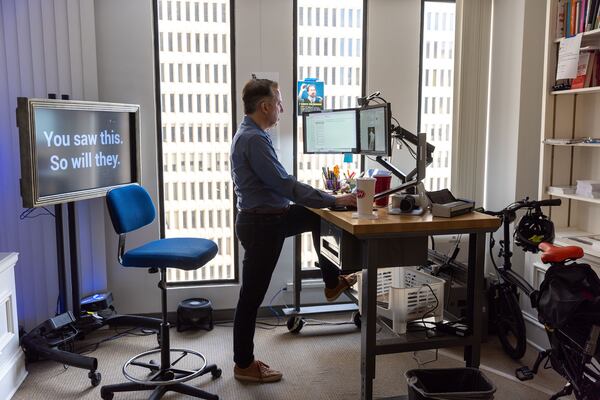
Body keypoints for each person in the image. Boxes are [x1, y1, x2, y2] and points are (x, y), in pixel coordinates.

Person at [230, 78, 357, 383]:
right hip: (262, 225)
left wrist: (325, 201)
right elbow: (285, 185)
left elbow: (282, 185)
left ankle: (330, 283)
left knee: (315, 216)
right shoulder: (254, 140)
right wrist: (335, 198)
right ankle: (244, 364)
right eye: (279, 102)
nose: (283, 108)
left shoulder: (253, 134)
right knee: (251, 296)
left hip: (271, 217)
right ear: (265, 106)